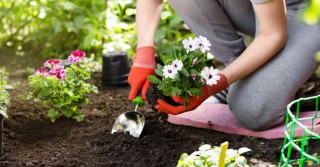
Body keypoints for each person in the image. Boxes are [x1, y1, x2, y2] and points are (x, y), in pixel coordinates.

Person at [128, 0, 320, 131]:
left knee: (252, 111)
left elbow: (272, 34)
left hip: (307, 12)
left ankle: (244, 83)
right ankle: (239, 74)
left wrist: (214, 84)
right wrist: (144, 52)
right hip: (260, 10)